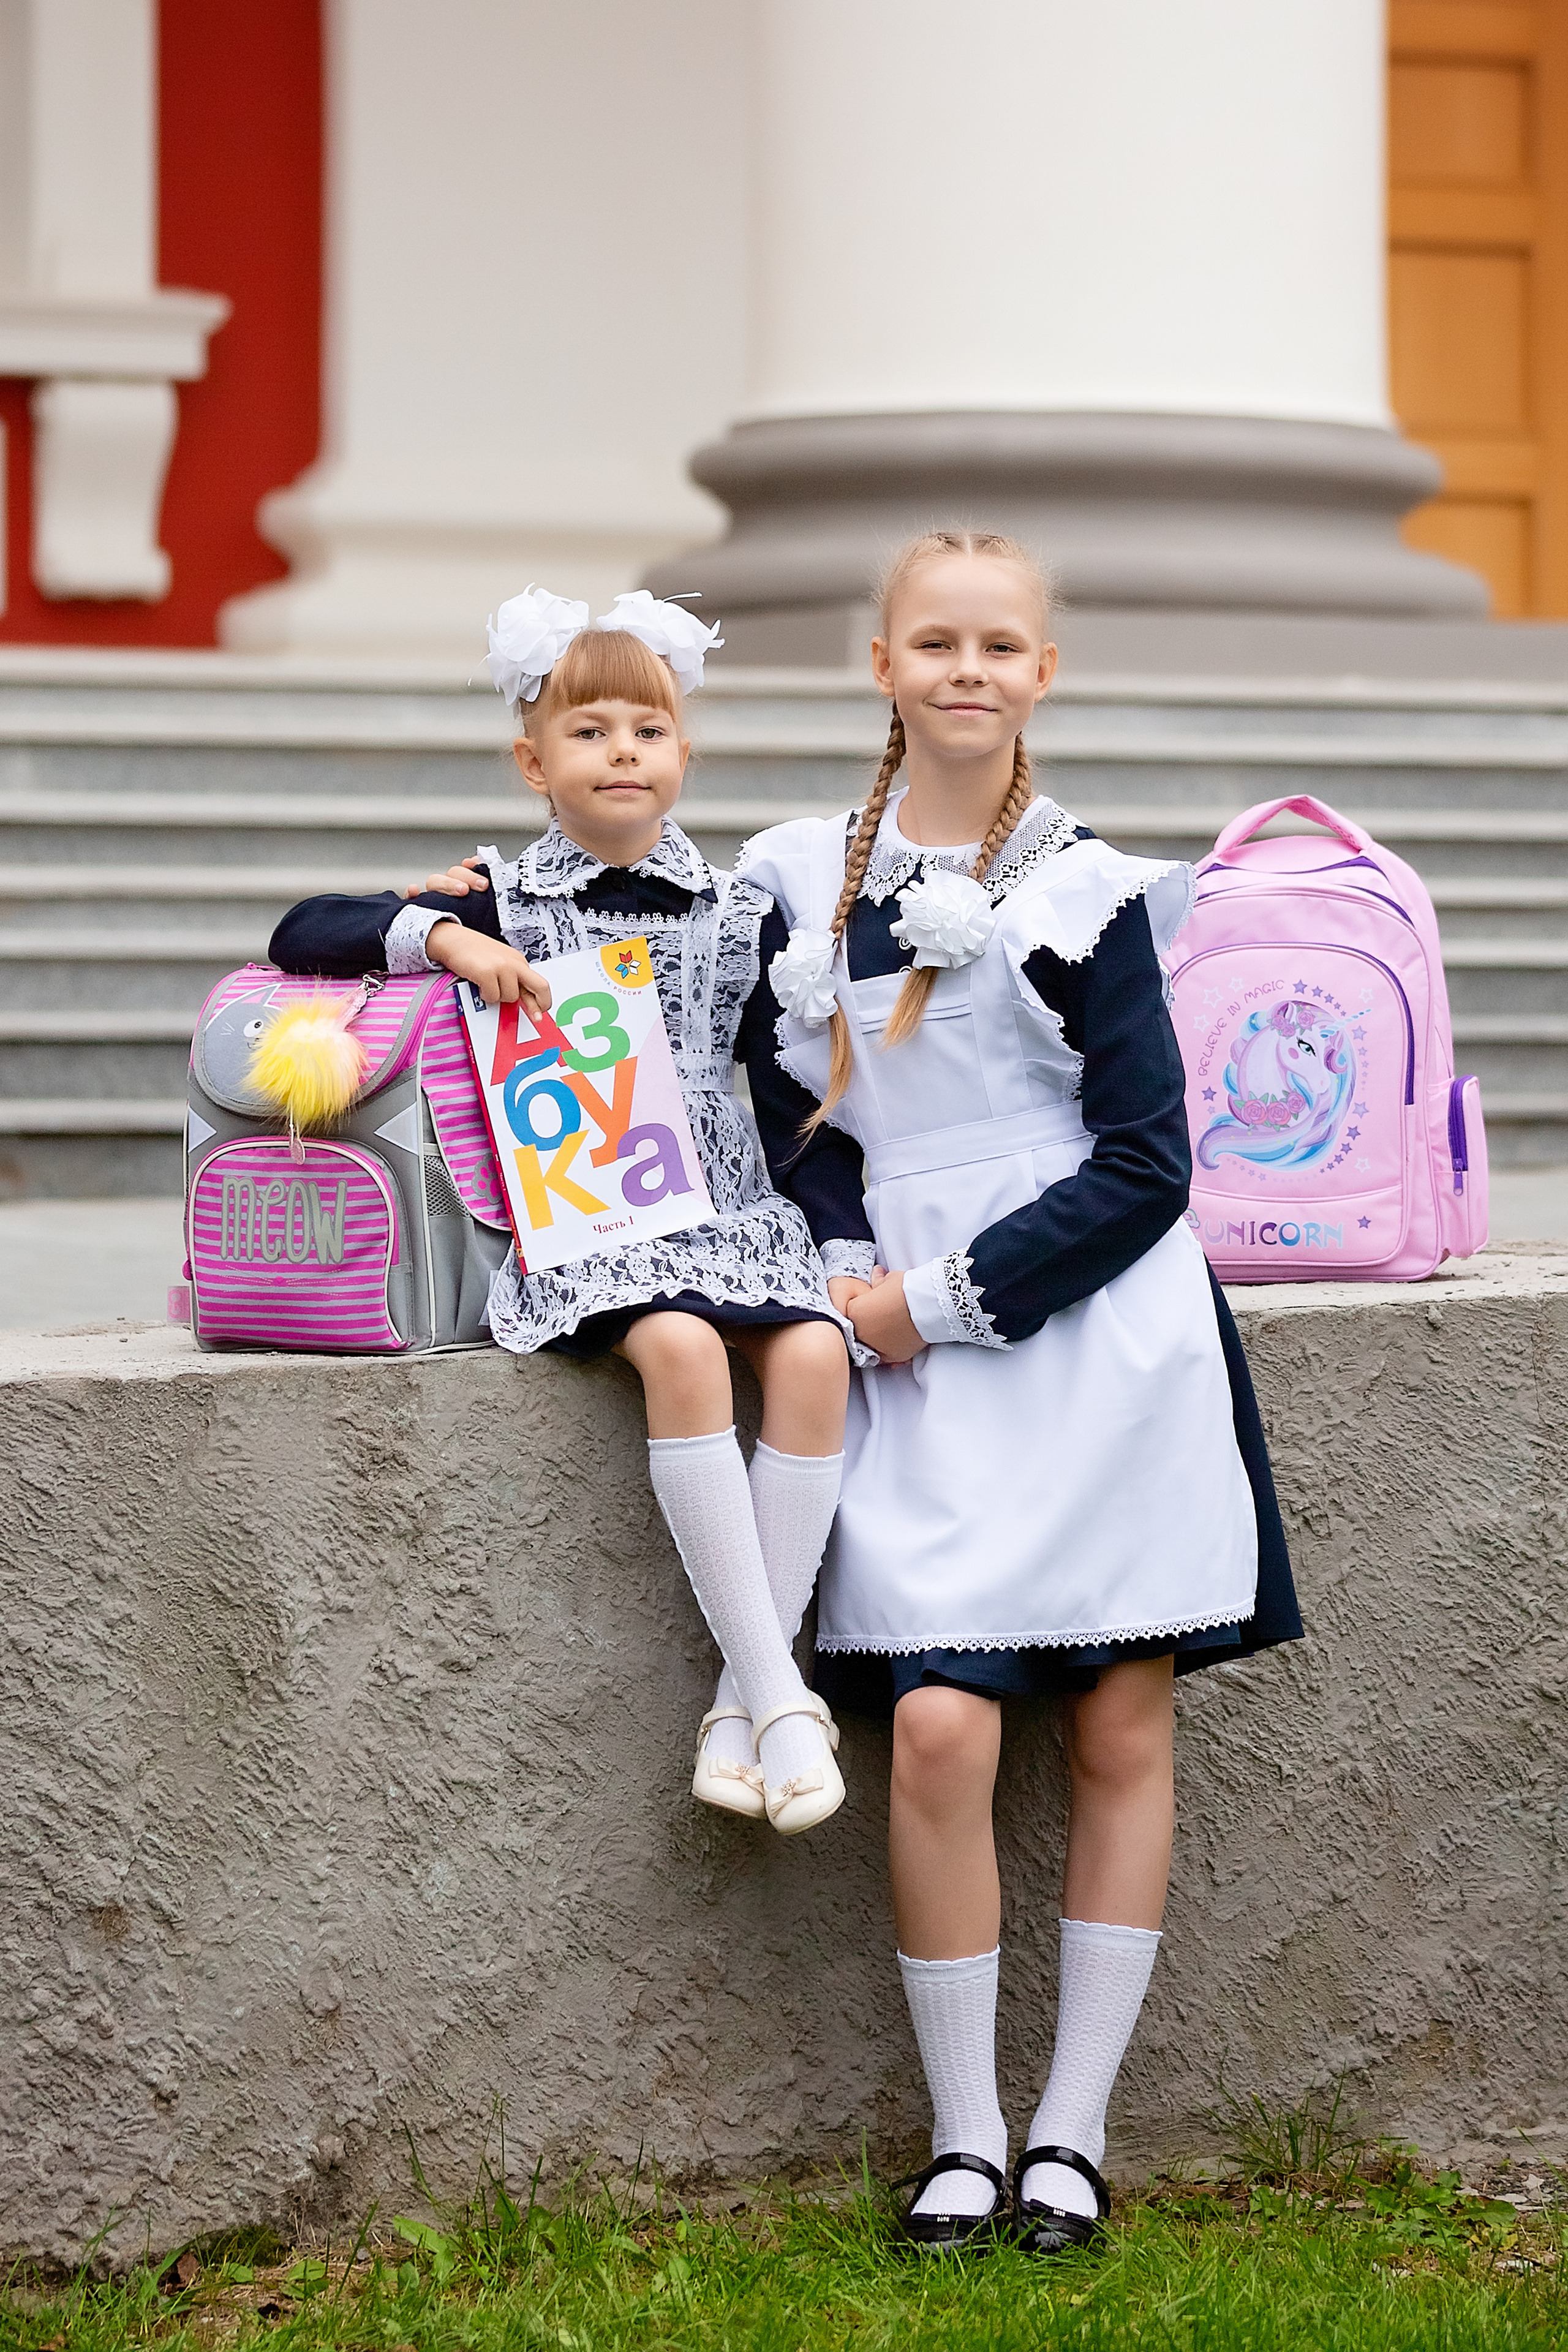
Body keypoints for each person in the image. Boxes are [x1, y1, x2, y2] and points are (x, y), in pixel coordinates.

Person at [734, 530, 1303, 2254]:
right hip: (892, 1339)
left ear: (1043, 672)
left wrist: (941, 1300)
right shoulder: (790, 878)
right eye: (935, 640)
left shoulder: (1090, 886)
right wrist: (845, 1269)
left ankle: (1072, 2131)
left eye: (1000, 643)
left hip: (1086, 1335)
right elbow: (790, 1119)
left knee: (1125, 1721)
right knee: (934, 1725)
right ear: (884, 661)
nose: (967, 667)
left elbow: (1146, 1164)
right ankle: (963, 2131)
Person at [268, 587, 865, 1838]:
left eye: (645, 733)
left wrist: (837, 1233)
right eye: (588, 733)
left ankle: (738, 1707)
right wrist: (439, 936)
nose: (621, 756)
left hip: (729, 1211)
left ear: (683, 755)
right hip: (591, 1226)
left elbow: (785, 1098)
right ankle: (782, 1696)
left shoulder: (739, 911)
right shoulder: (498, 899)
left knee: (814, 1353)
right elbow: (301, 931)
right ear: (533, 764)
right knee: (683, 1349)